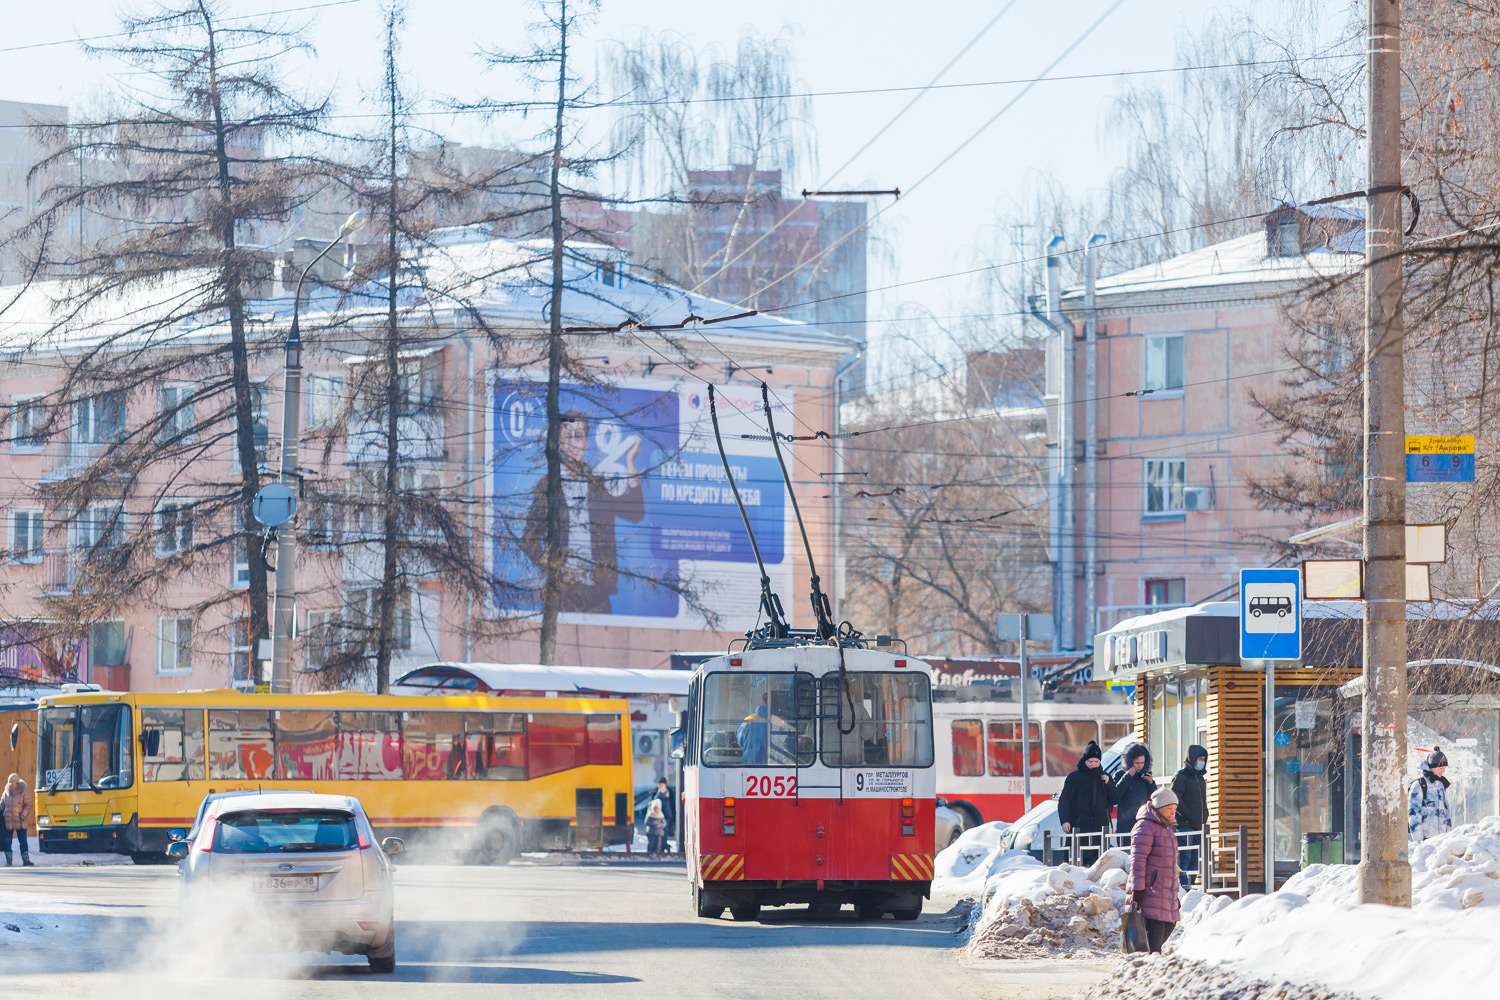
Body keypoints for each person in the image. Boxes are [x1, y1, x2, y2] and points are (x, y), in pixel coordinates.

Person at [518, 412, 646, 615]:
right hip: (563, 592)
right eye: (567, 436)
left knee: (602, 645)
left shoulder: (598, 483)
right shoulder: (548, 485)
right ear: (559, 442)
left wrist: (631, 462)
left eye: (578, 436)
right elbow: (528, 539)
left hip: (597, 594)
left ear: (587, 441)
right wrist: (554, 569)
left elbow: (636, 513)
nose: (573, 444)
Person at [1128, 787, 1182, 953]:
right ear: (1158, 808)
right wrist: (1137, 888)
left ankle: (1150, 962)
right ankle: (1148, 967)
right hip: (1150, 889)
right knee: (1154, 938)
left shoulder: (1166, 828)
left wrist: (1175, 894)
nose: (1172, 813)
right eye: (1168, 809)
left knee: (1169, 925)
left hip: (1165, 890)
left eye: (1174, 809)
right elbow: (1138, 860)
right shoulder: (1145, 826)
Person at [1057, 741, 1115, 864]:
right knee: (1077, 864)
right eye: (1090, 761)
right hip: (1079, 827)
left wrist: (1109, 783)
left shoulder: (1104, 777)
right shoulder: (1074, 777)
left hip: (1100, 828)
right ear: (1085, 761)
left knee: (1099, 865)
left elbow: (1115, 799)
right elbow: (1064, 800)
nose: (1093, 764)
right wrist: (1065, 820)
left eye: (1096, 761)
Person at [1171, 745, 1209, 889]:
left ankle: (1191, 886)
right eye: (1200, 759)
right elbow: (1175, 798)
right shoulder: (1181, 776)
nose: (1202, 762)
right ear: (1192, 759)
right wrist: (1188, 815)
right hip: (1185, 825)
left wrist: (1205, 814)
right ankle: (1183, 887)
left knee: (1195, 859)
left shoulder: (1200, 778)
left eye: (1204, 759)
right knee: (1184, 858)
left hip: (1198, 826)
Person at [1409, 747, 1453, 843]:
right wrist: (1418, 840)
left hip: (1443, 840)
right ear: (1431, 767)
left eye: (1444, 768)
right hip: (1426, 841)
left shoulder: (1441, 785)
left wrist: (1450, 836)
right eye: (1441, 768)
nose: (1443, 771)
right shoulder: (1419, 785)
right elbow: (1414, 813)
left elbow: (1447, 812)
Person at [1113, 743, 1156, 838]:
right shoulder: (1120, 774)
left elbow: (1155, 800)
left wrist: (1151, 783)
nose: (1140, 766)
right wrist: (1128, 776)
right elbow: (1115, 796)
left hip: (1143, 823)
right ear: (1130, 761)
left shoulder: (1145, 776)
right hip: (1125, 825)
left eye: (1142, 763)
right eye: (1137, 763)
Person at [2, 773, 34, 867]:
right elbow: (2, 804)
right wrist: (5, 813)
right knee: (7, 841)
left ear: (16, 782)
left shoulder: (23, 792)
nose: (11, 783)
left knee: (23, 840)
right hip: (8, 822)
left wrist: (23, 815)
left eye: (12, 782)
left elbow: (28, 805)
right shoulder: (6, 793)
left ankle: (26, 860)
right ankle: (9, 861)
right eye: (10, 782)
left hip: (20, 821)